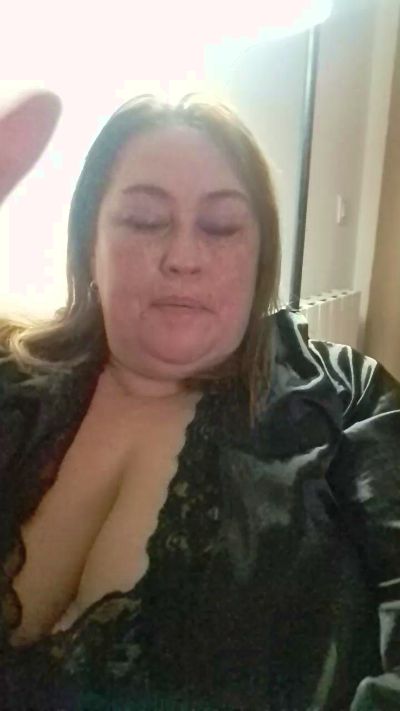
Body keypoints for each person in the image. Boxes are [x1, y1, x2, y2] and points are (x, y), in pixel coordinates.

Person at [0, 91, 399, 711]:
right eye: (144, 220)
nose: (183, 257)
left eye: (220, 227)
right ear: (89, 243)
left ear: (261, 257)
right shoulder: (11, 374)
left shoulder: (347, 398)